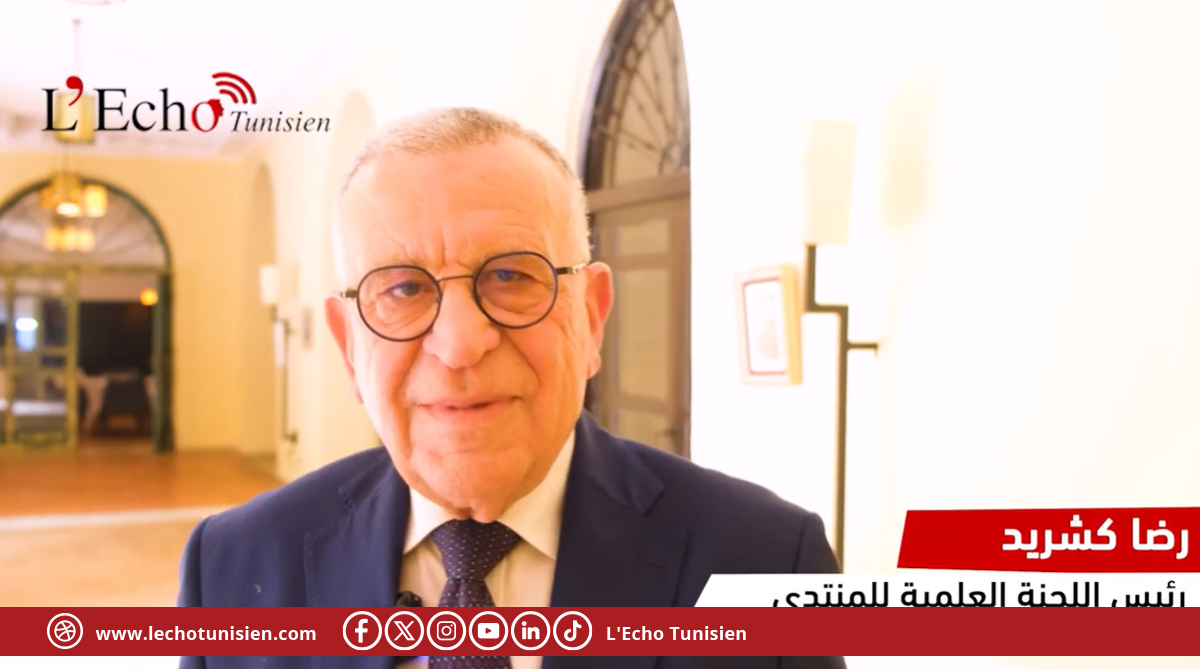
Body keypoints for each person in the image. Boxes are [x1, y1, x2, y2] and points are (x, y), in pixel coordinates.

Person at [177, 107, 844, 669]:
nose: (460, 342)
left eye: (510, 277)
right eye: (403, 289)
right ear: (349, 346)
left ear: (591, 317)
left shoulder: (766, 564)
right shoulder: (232, 568)